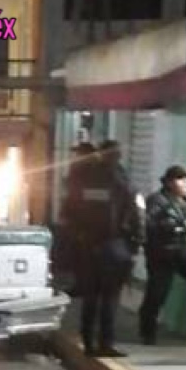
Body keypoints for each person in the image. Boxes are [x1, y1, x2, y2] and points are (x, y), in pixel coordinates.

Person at [61, 139, 141, 357]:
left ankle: (89, 342)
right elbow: (135, 212)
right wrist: (136, 243)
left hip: (88, 245)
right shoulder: (122, 179)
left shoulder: (83, 177)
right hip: (114, 246)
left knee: (91, 296)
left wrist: (78, 237)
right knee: (110, 298)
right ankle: (105, 343)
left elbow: (68, 212)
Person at [139, 165, 186, 345]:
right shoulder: (157, 201)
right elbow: (148, 225)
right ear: (169, 183)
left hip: (185, 253)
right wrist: (168, 226)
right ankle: (147, 331)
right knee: (157, 293)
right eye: (181, 179)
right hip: (163, 255)